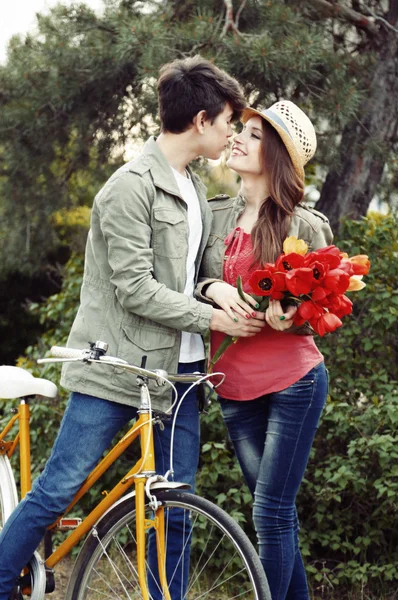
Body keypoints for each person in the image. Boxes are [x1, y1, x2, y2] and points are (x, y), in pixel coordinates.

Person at [0, 56, 266, 600]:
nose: (230, 133)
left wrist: (215, 294)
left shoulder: (193, 189)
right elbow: (135, 288)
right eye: (226, 122)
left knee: (175, 510)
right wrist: (212, 317)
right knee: (57, 493)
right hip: (118, 370)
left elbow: (185, 278)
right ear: (199, 120)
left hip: (181, 377)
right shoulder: (128, 187)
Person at [197, 100, 332, 600]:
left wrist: (290, 317)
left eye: (254, 135)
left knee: (269, 511)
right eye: (243, 130)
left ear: (275, 154)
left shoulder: (303, 225)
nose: (238, 138)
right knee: (274, 511)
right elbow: (190, 281)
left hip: (293, 385)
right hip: (234, 388)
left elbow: (325, 307)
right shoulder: (214, 217)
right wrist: (214, 290)